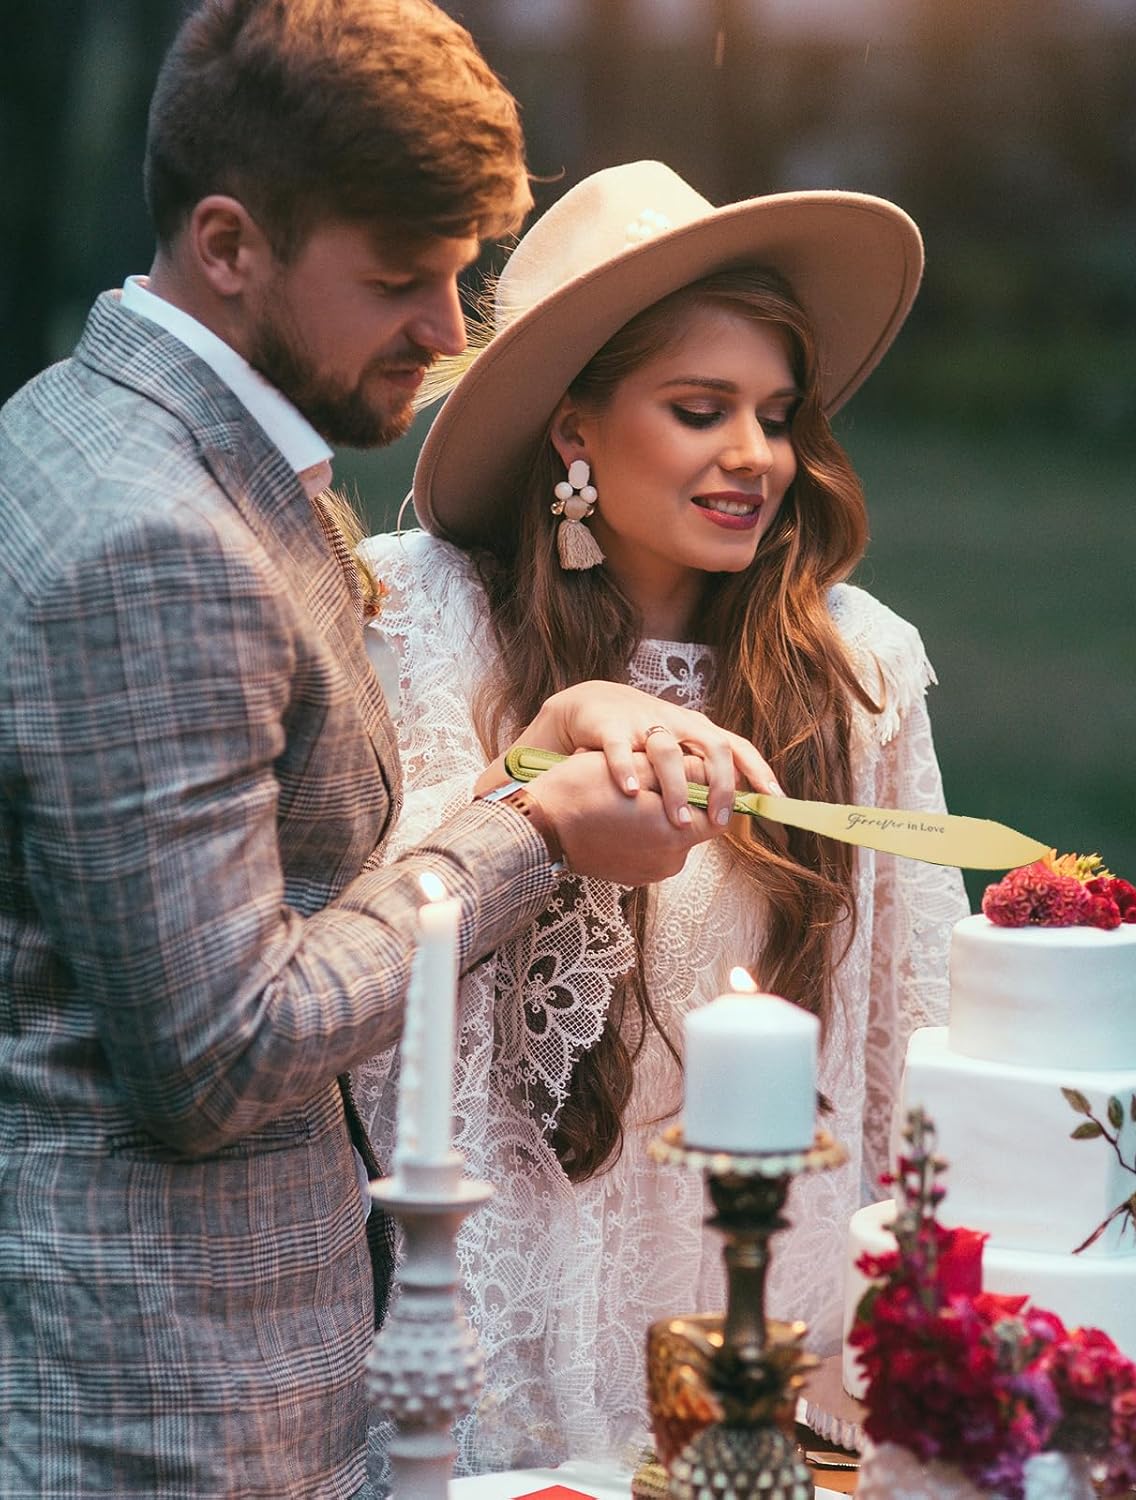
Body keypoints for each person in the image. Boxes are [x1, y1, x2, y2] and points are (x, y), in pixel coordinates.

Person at [0, 13, 772, 1498]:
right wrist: (538, 832)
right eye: (398, 279)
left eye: (458, 274)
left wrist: (525, 761)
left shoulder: (93, 422)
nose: (445, 330)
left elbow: (275, 876)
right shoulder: (154, 540)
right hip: (166, 1411)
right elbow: (221, 1055)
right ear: (230, 244)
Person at [354, 160, 971, 1474]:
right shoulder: (423, 623)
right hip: (480, 1329)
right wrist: (534, 772)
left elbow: (906, 1035)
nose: (757, 456)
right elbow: (357, 949)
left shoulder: (852, 670)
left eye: (778, 416)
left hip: (758, 1339)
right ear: (574, 429)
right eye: (701, 410)